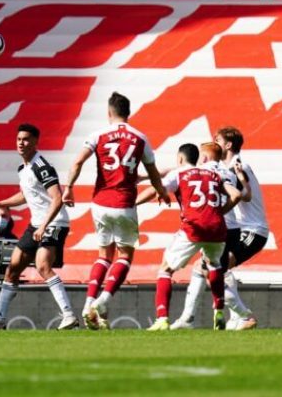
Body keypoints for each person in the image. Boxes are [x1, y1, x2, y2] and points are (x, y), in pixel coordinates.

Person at [62, 92, 169, 330]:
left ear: (109, 112)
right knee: (124, 256)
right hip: (124, 203)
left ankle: (87, 304)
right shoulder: (140, 138)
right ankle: (101, 302)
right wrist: (160, 191)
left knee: (103, 255)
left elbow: (78, 162)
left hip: (100, 202)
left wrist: (68, 188)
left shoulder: (98, 135)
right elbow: (152, 171)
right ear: (128, 113)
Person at [0, 123, 78, 330]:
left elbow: (57, 198)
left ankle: (69, 315)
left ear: (35, 142)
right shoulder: (23, 169)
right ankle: (0, 320)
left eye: (25, 139)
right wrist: (0, 204)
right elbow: (25, 195)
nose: (21, 143)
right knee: (12, 268)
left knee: (43, 266)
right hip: (36, 224)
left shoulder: (41, 166)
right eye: (18, 139)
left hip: (53, 223)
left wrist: (44, 226)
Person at [143, 143, 243, 331]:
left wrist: (134, 203)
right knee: (214, 265)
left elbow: (156, 189)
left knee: (165, 269)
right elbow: (236, 195)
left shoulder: (179, 173)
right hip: (217, 228)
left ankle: (162, 318)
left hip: (194, 228)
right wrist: (219, 212)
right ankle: (219, 311)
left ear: (180, 159)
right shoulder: (214, 175)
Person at [173, 126, 264, 331]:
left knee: (214, 270)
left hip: (252, 230)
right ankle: (221, 316)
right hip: (239, 228)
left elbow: (246, 195)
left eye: (218, 139)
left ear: (228, 145)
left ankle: (242, 315)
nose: (214, 142)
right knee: (208, 268)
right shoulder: (226, 167)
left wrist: (218, 209)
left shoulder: (236, 165)